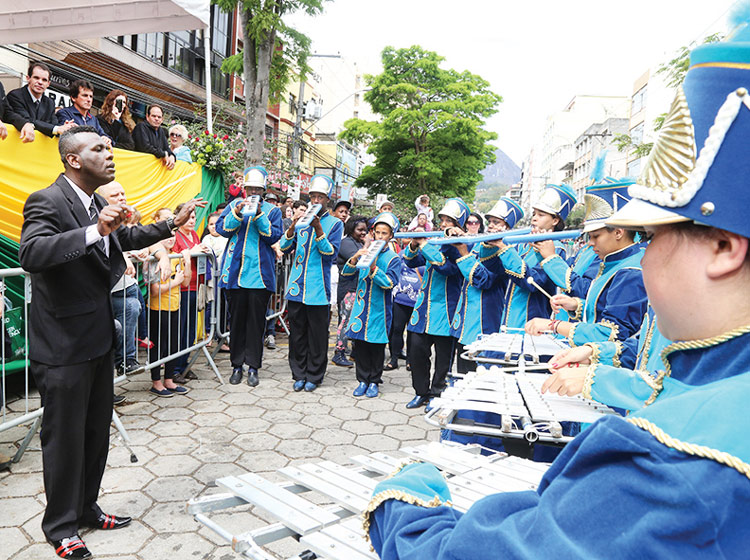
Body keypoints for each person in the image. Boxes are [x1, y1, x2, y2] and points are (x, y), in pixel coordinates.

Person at [363, 22, 750, 558]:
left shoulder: (675, 464)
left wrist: (404, 498)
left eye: (655, 234)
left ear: (724, 248)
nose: (647, 252)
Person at [18, 126, 204, 559]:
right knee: (64, 439)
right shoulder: (47, 200)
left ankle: (86, 508)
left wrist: (167, 225)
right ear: (73, 159)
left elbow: (119, 240)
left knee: (95, 434)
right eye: (99, 148)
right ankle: (61, 527)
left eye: (109, 146)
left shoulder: (97, 202)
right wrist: (93, 230)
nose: (110, 153)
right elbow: (32, 254)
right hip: (63, 345)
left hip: (99, 339)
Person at [525, 181, 648, 345]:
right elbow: (603, 306)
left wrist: (554, 325)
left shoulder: (631, 271)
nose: (590, 243)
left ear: (619, 232)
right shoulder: (613, 261)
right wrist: (577, 305)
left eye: (595, 236)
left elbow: (613, 334)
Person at [216, 166, 283, 386]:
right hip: (235, 276)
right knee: (235, 323)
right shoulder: (234, 205)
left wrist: (259, 215)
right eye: (250, 188)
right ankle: (236, 366)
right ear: (244, 189)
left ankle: (253, 367)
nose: (253, 192)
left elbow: (273, 236)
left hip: (260, 278)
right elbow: (221, 229)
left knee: (256, 325)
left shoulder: (272, 211)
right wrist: (237, 213)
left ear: (263, 190)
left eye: (257, 189)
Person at [280, 174, 344, 392]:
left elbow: (330, 254)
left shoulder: (334, 224)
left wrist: (318, 229)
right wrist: (292, 228)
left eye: (320, 197)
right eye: (313, 196)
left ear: (328, 199)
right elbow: (283, 246)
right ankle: (298, 373)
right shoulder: (302, 220)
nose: (316, 201)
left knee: (317, 334)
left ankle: (315, 375)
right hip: (296, 287)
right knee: (297, 333)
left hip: (318, 289)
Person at [403, 198, 469, 408]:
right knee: (416, 351)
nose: (444, 224)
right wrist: (415, 244)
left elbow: (447, 269)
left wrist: (425, 246)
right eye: (443, 220)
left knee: (444, 359)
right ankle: (420, 392)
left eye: (450, 221)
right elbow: (411, 261)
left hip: (447, 310)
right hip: (423, 308)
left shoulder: (463, 245)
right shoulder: (435, 240)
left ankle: (438, 393)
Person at [487, 184, 576, 328]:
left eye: (541, 215)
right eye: (534, 214)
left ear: (555, 221)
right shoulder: (523, 243)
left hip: (532, 320)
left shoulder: (556, 248)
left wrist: (504, 248)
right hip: (509, 317)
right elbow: (495, 268)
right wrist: (491, 244)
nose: (534, 219)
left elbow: (532, 282)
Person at [341, 212, 402, 398]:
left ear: (391, 236)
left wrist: (374, 268)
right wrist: (354, 259)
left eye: (385, 233)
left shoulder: (393, 258)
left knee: (376, 346)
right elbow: (346, 273)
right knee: (359, 345)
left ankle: (374, 381)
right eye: (377, 232)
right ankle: (362, 380)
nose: (380, 236)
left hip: (379, 309)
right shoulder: (364, 251)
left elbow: (390, 283)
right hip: (360, 307)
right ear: (372, 233)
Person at [146, 224, 190, 397]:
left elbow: (185, 282)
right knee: (158, 346)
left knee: (174, 345)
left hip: (175, 306)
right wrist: (176, 281)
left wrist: (186, 262)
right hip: (158, 308)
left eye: (173, 234)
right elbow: (155, 290)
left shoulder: (176, 256)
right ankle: (156, 383)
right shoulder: (153, 260)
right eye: (167, 235)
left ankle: (169, 380)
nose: (171, 238)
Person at [171, 202, 210, 383]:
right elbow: (174, 258)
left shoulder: (194, 234)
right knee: (180, 329)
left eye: (194, 217)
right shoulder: (175, 236)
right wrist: (191, 252)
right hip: (181, 288)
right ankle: (174, 369)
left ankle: (185, 366)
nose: (191, 221)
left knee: (190, 331)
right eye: (188, 217)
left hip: (196, 286)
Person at [5, 61, 76, 142]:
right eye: (36, 78)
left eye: (44, 80)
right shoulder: (15, 96)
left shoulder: (50, 103)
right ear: (28, 78)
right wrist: (57, 128)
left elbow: (53, 124)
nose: (40, 82)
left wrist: (64, 127)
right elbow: (27, 120)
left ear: (48, 84)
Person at [332, 215, 368, 367]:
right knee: (345, 322)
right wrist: (367, 245)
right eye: (360, 230)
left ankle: (354, 353)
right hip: (348, 289)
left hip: (357, 289)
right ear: (351, 229)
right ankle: (339, 353)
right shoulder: (346, 243)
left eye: (365, 230)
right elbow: (361, 262)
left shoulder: (357, 243)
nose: (363, 233)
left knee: (354, 321)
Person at [132, 104, 175, 170]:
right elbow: (144, 147)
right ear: (147, 116)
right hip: (139, 167)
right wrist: (163, 154)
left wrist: (172, 156)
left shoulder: (161, 131)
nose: (156, 119)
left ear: (162, 119)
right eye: (153, 116)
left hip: (153, 171)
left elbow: (166, 148)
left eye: (159, 117)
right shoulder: (141, 127)